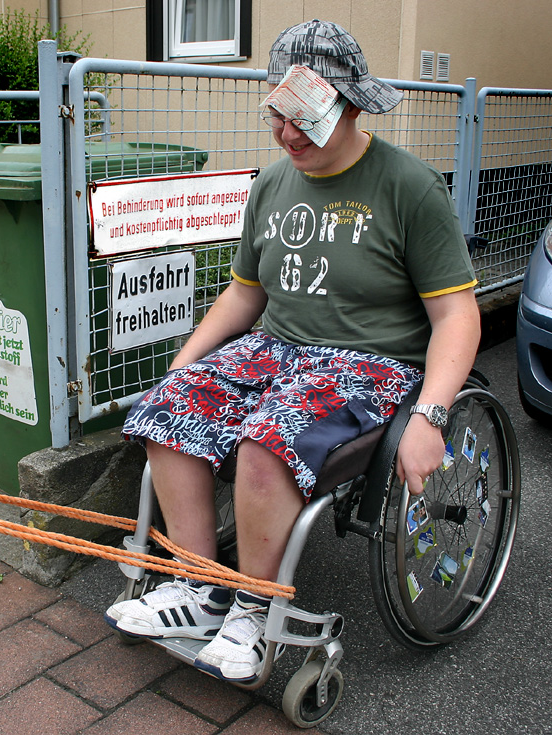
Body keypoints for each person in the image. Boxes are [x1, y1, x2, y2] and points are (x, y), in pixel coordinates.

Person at [104, 19, 481, 684]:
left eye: (306, 116)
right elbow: (244, 293)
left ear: (354, 104)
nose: (288, 133)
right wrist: (188, 359)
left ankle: (253, 608)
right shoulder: (273, 186)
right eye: (279, 113)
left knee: (266, 440)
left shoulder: (409, 186)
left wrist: (431, 416)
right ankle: (201, 588)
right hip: (275, 348)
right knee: (166, 408)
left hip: (367, 362)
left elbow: (456, 313)